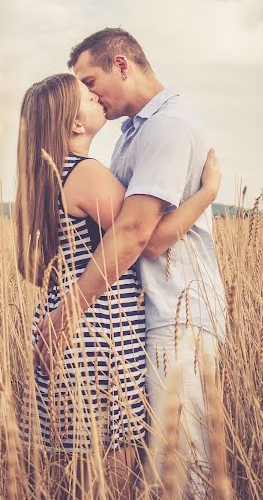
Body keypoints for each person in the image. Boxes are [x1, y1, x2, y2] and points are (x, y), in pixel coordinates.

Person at [37, 29, 226, 498]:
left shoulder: (167, 127)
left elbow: (141, 235)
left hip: (178, 314)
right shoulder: (130, 133)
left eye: (90, 80)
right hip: (151, 317)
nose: (88, 93)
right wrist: (207, 194)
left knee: (180, 472)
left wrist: (69, 309)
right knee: (153, 475)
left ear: (122, 64)